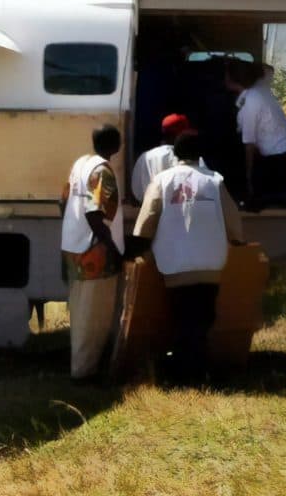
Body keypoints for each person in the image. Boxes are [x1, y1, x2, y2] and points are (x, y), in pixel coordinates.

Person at [130, 131, 245, 385]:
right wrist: (237, 239)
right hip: (210, 264)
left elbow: (147, 220)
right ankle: (199, 370)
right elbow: (232, 218)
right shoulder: (215, 180)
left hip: (175, 265)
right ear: (200, 154)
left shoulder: (162, 180)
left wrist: (139, 244)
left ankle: (183, 373)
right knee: (203, 319)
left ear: (176, 154)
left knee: (181, 319)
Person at [60, 124, 124, 381]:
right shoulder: (102, 170)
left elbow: (62, 201)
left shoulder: (81, 164)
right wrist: (113, 249)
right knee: (94, 316)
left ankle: (83, 367)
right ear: (116, 146)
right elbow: (95, 213)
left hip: (74, 246)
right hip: (94, 253)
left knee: (81, 313)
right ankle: (84, 373)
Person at [226, 60, 286, 210]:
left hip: (278, 154)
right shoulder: (261, 87)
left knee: (269, 198)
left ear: (233, 80)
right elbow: (268, 69)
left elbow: (249, 144)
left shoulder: (251, 102)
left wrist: (248, 177)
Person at [131, 112, 188, 213]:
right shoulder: (184, 159)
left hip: (148, 213)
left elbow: (136, 192)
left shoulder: (144, 157)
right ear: (180, 134)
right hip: (177, 216)